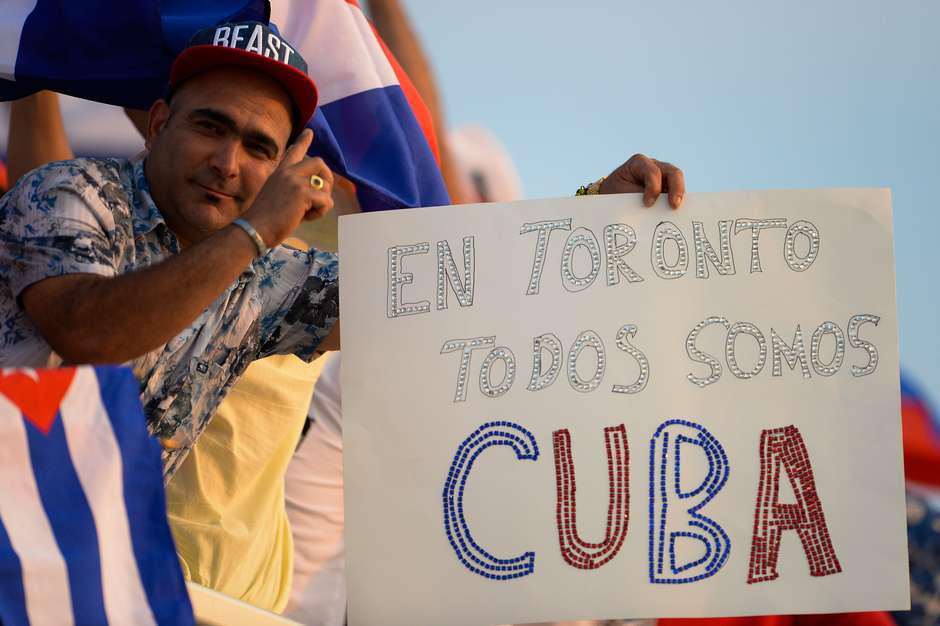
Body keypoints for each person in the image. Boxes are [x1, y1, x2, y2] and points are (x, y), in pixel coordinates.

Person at [0, 20, 339, 481]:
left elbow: (424, 302)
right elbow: (87, 334)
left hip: (97, 547)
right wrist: (253, 231)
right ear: (158, 124)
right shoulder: (69, 190)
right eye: (210, 127)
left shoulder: (267, 276)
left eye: (258, 149)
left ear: (281, 168)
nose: (226, 164)